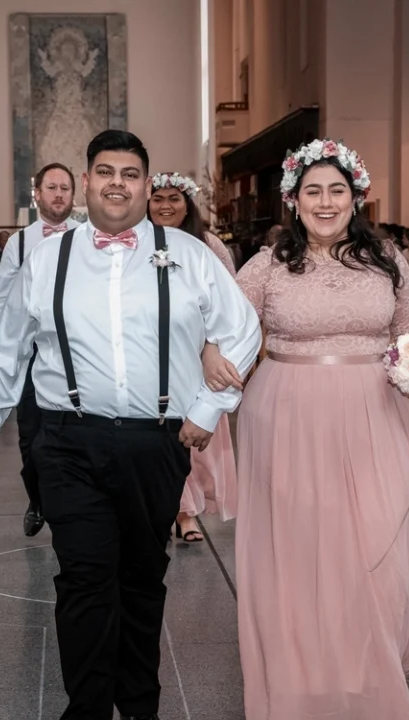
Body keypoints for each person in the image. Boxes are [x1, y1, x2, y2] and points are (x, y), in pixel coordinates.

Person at [0, 129, 261, 720]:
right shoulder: (47, 258)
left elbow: (243, 329)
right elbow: (7, 349)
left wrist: (206, 411)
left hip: (157, 442)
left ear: (146, 185)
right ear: (87, 182)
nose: (118, 183)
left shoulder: (187, 254)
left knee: (140, 580)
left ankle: (141, 709)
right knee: (85, 583)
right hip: (69, 441)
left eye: (131, 173)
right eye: (105, 171)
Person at [233, 139, 409, 720]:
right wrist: (213, 360)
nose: (325, 202)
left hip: (374, 413)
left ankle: (368, 687)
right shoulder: (267, 264)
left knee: (375, 550)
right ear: (292, 200)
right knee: (302, 557)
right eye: (312, 191)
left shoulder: (387, 259)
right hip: (289, 415)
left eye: (336, 190)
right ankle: (307, 694)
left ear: (357, 197)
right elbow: (228, 330)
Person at [148, 171, 240, 544]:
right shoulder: (138, 243)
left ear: (187, 205)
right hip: (152, 352)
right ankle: (166, 508)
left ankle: (187, 513)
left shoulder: (208, 244)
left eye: (174, 198)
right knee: (158, 437)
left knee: (192, 434)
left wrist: (214, 346)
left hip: (199, 354)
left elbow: (231, 301)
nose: (166, 205)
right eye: (159, 198)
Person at [0, 161, 78, 537]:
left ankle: (70, 503)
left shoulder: (89, 235)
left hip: (76, 354)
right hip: (30, 354)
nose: (58, 194)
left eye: (65, 188)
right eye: (52, 188)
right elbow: (2, 300)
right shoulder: (19, 242)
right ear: (37, 194)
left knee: (73, 432)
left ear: (74, 195)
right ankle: (38, 498)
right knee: (31, 435)